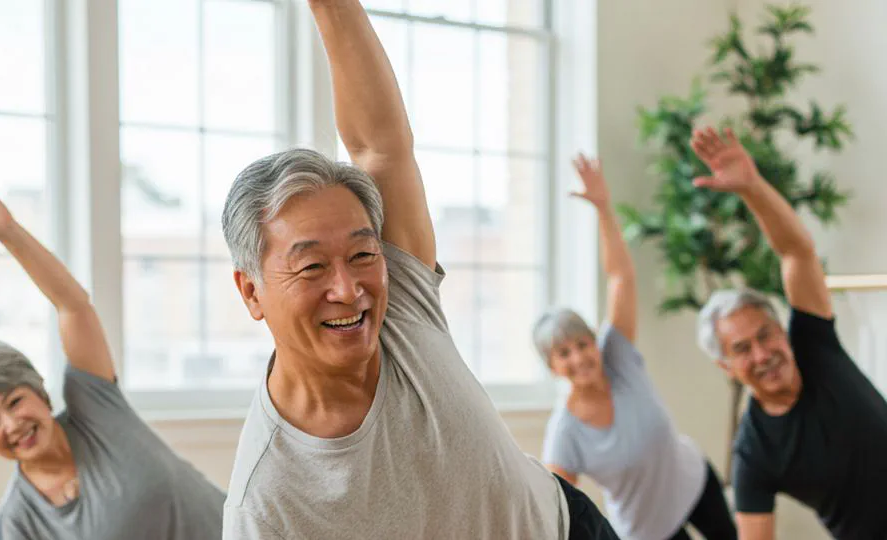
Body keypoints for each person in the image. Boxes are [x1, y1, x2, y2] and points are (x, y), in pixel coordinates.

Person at [219, 1, 618, 538]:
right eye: (311, 266)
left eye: (362, 255)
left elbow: (379, 146)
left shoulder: (398, 299)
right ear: (252, 292)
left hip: (567, 526)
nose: (348, 288)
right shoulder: (264, 503)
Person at [0, 169, 225, 540]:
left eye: (14, 401)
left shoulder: (94, 407)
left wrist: (10, 233)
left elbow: (72, 305)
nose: (11, 424)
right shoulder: (18, 521)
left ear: (39, 392)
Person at [692, 126, 887, 540]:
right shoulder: (754, 452)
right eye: (743, 348)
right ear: (725, 366)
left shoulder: (814, 345)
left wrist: (752, 187)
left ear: (782, 330)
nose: (763, 354)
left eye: (765, 335)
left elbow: (797, 252)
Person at [535, 157, 737, 540]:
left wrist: (603, 208)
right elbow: (556, 509)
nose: (579, 357)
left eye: (582, 343)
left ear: (596, 342)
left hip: (694, 483)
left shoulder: (618, 357)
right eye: (564, 353)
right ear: (552, 367)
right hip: (648, 530)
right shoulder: (565, 431)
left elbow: (620, 278)